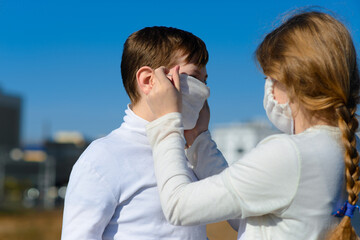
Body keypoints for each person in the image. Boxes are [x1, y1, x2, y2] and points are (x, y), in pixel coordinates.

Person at [144, 11, 360, 240]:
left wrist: (167, 119)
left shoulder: (289, 154)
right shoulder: (350, 149)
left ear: (293, 82)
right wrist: (199, 138)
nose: (269, 88)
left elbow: (179, 206)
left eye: (270, 79)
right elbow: (243, 213)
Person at [61, 26, 228, 239]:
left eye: (205, 81)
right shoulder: (103, 158)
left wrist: (199, 137)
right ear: (150, 81)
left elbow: (238, 206)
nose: (205, 91)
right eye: (194, 77)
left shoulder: (192, 155)